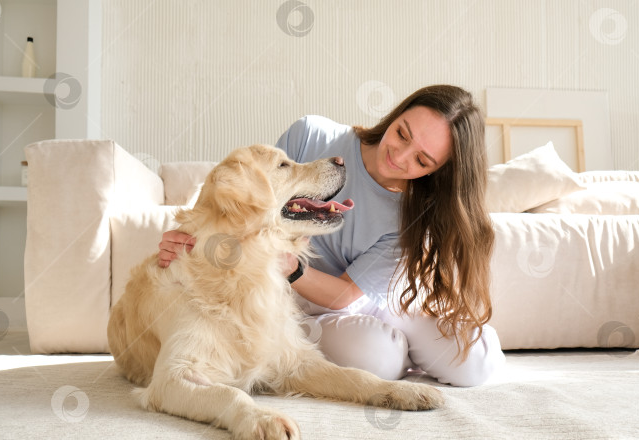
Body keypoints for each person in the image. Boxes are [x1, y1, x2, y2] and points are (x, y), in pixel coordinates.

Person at [159, 84, 504, 386]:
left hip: (365, 300)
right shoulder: (311, 136)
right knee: (380, 360)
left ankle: (420, 346)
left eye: (422, 160)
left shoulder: (415, 212)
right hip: (293, 306)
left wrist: (289, 265)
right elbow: (248, 201)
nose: (399, 156)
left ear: (439, 171)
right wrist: (192, 237)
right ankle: (402, 354)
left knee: (473, 364)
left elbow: (345, 296)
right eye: (402, 133)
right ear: (397, 114)